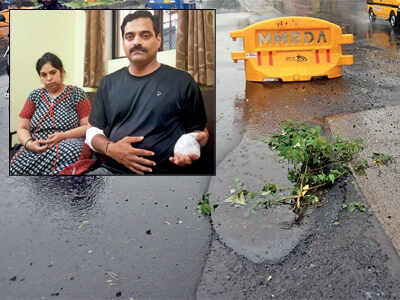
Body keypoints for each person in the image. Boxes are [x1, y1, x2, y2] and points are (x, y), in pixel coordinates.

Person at [86, 11, 209, 175]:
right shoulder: (108, 82)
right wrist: (111, 149)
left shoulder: (182, 81)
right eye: (129, 37)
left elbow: (201, 132)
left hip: (164, 174)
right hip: (112, 171)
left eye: (145, 35)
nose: (136, 42)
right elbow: (92, 130)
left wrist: (190, 146)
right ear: (123, 42)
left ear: (158, 39)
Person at [9, 52, 94, 175]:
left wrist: (63, 136)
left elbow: (88, 127)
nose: (49, 78)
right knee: (16, 165)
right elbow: (22, 127)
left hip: (67, 143)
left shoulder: (76, 94)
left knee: (70, 151)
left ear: (62, 71)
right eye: (44, 75)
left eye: (53, 72)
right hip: (36, 145)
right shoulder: (35, 96)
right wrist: (29, 144)